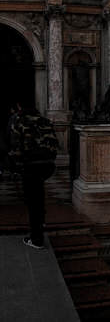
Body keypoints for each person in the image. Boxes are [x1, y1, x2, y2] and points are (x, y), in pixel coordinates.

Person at [10, 103, 61, 249]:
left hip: (31, 165)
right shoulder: (44, 120)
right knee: (37, 195)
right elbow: (54, 143)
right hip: (47, 165)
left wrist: (16, 167)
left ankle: (36, 239)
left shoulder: (19, 121)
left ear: (19, 107)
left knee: (33, 201)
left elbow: (16, 147)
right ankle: (41, 220)